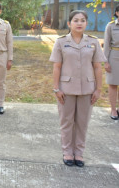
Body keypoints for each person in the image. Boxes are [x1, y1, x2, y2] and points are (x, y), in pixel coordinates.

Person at [49, 10, 106, 167]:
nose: (79, 23)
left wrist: (98, 89)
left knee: (82, 123)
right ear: (69, 23)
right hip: (66, 89)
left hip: (87, 89)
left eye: (82, 20)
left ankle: (79, 153)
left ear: (86, 23)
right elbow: (57, 67)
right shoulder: (61, 42)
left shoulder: (93, 42)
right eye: (75, 20)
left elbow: (97, 67)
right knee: (66, 122)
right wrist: (56, 88)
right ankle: (67, 152)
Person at [103, 5, 119, 120]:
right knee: (113, 84)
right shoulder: (111, 26)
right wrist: (106, 62)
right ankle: (113, 110)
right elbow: (107, 44)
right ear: (117, 13)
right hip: (114, 56)